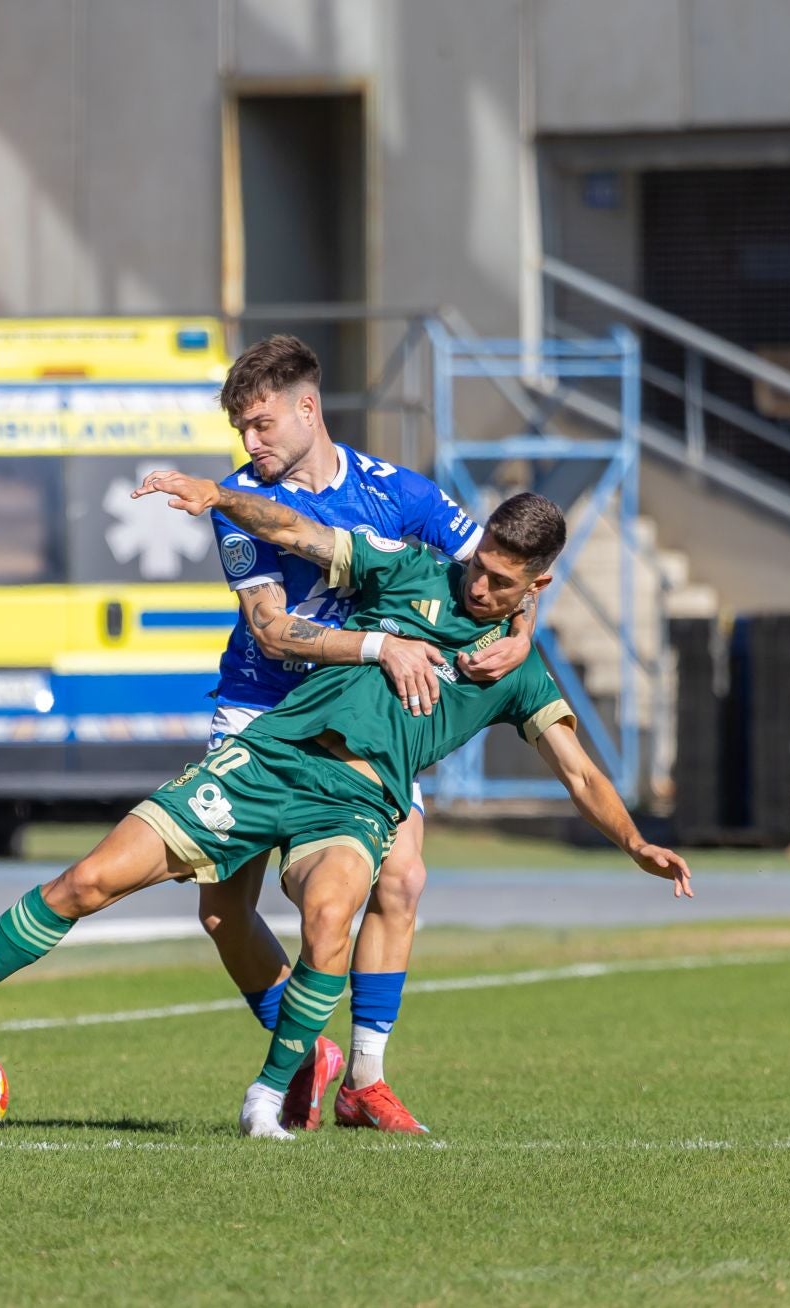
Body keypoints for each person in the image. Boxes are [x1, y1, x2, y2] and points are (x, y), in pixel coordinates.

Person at [0, 486, 690, 1139]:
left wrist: (634, 841)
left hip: (359, 802)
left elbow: (579, 772)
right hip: (269, 757)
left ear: (537, 586)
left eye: (502, 582)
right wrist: (221, 498)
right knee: (89, 881)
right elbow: (300, 533)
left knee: (332, 916)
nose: (478, 584)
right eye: (479, 567)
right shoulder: (409, 570)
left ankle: (268, 1096)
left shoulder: (520, 671)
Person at [197, 335, 536, 1134]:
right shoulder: (240, 504)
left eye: (260, 424)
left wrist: (522, 631)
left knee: (403, 879)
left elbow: (498, 568)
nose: (250, 444)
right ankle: (305, 1045)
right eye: (241, 430)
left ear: (306, 408)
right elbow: (273, 632)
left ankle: (366, 1081)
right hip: (260, 707)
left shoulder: (399, 494)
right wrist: (385, 645)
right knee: (221, 910)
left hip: (360, 712)